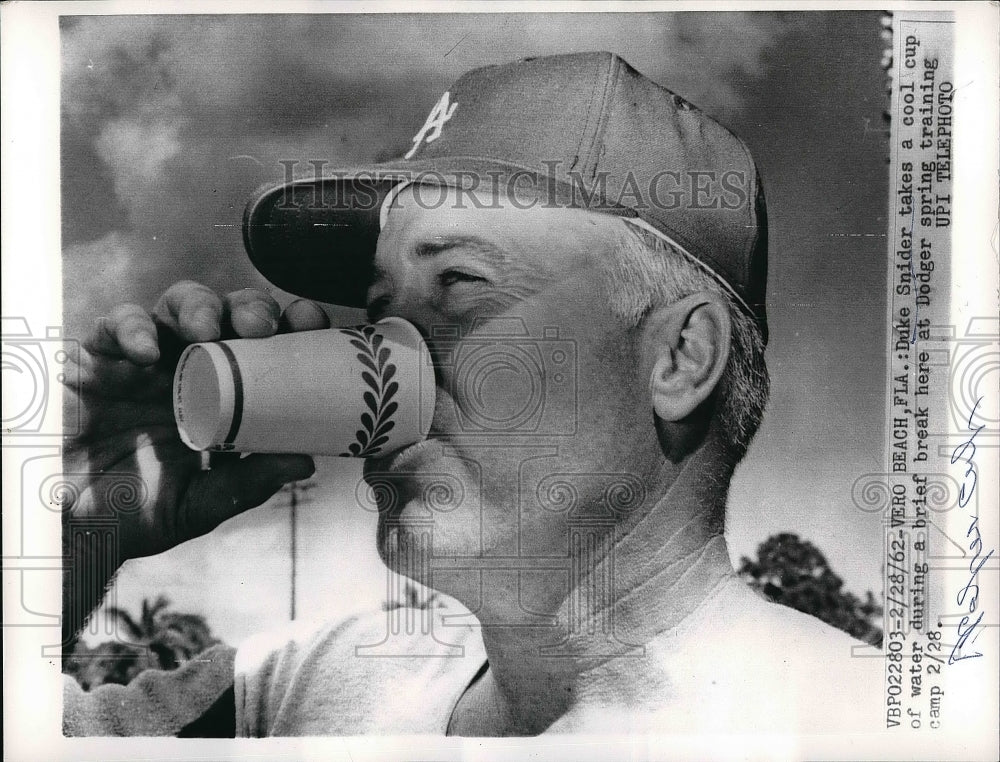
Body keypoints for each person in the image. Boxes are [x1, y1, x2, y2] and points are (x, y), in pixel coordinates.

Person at [62, 51, 880, 736]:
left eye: (458, 282)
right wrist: (77, 530)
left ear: (679, 357)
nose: (385, 349)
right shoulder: (298, 690)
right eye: (380, 310)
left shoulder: (868, 732)